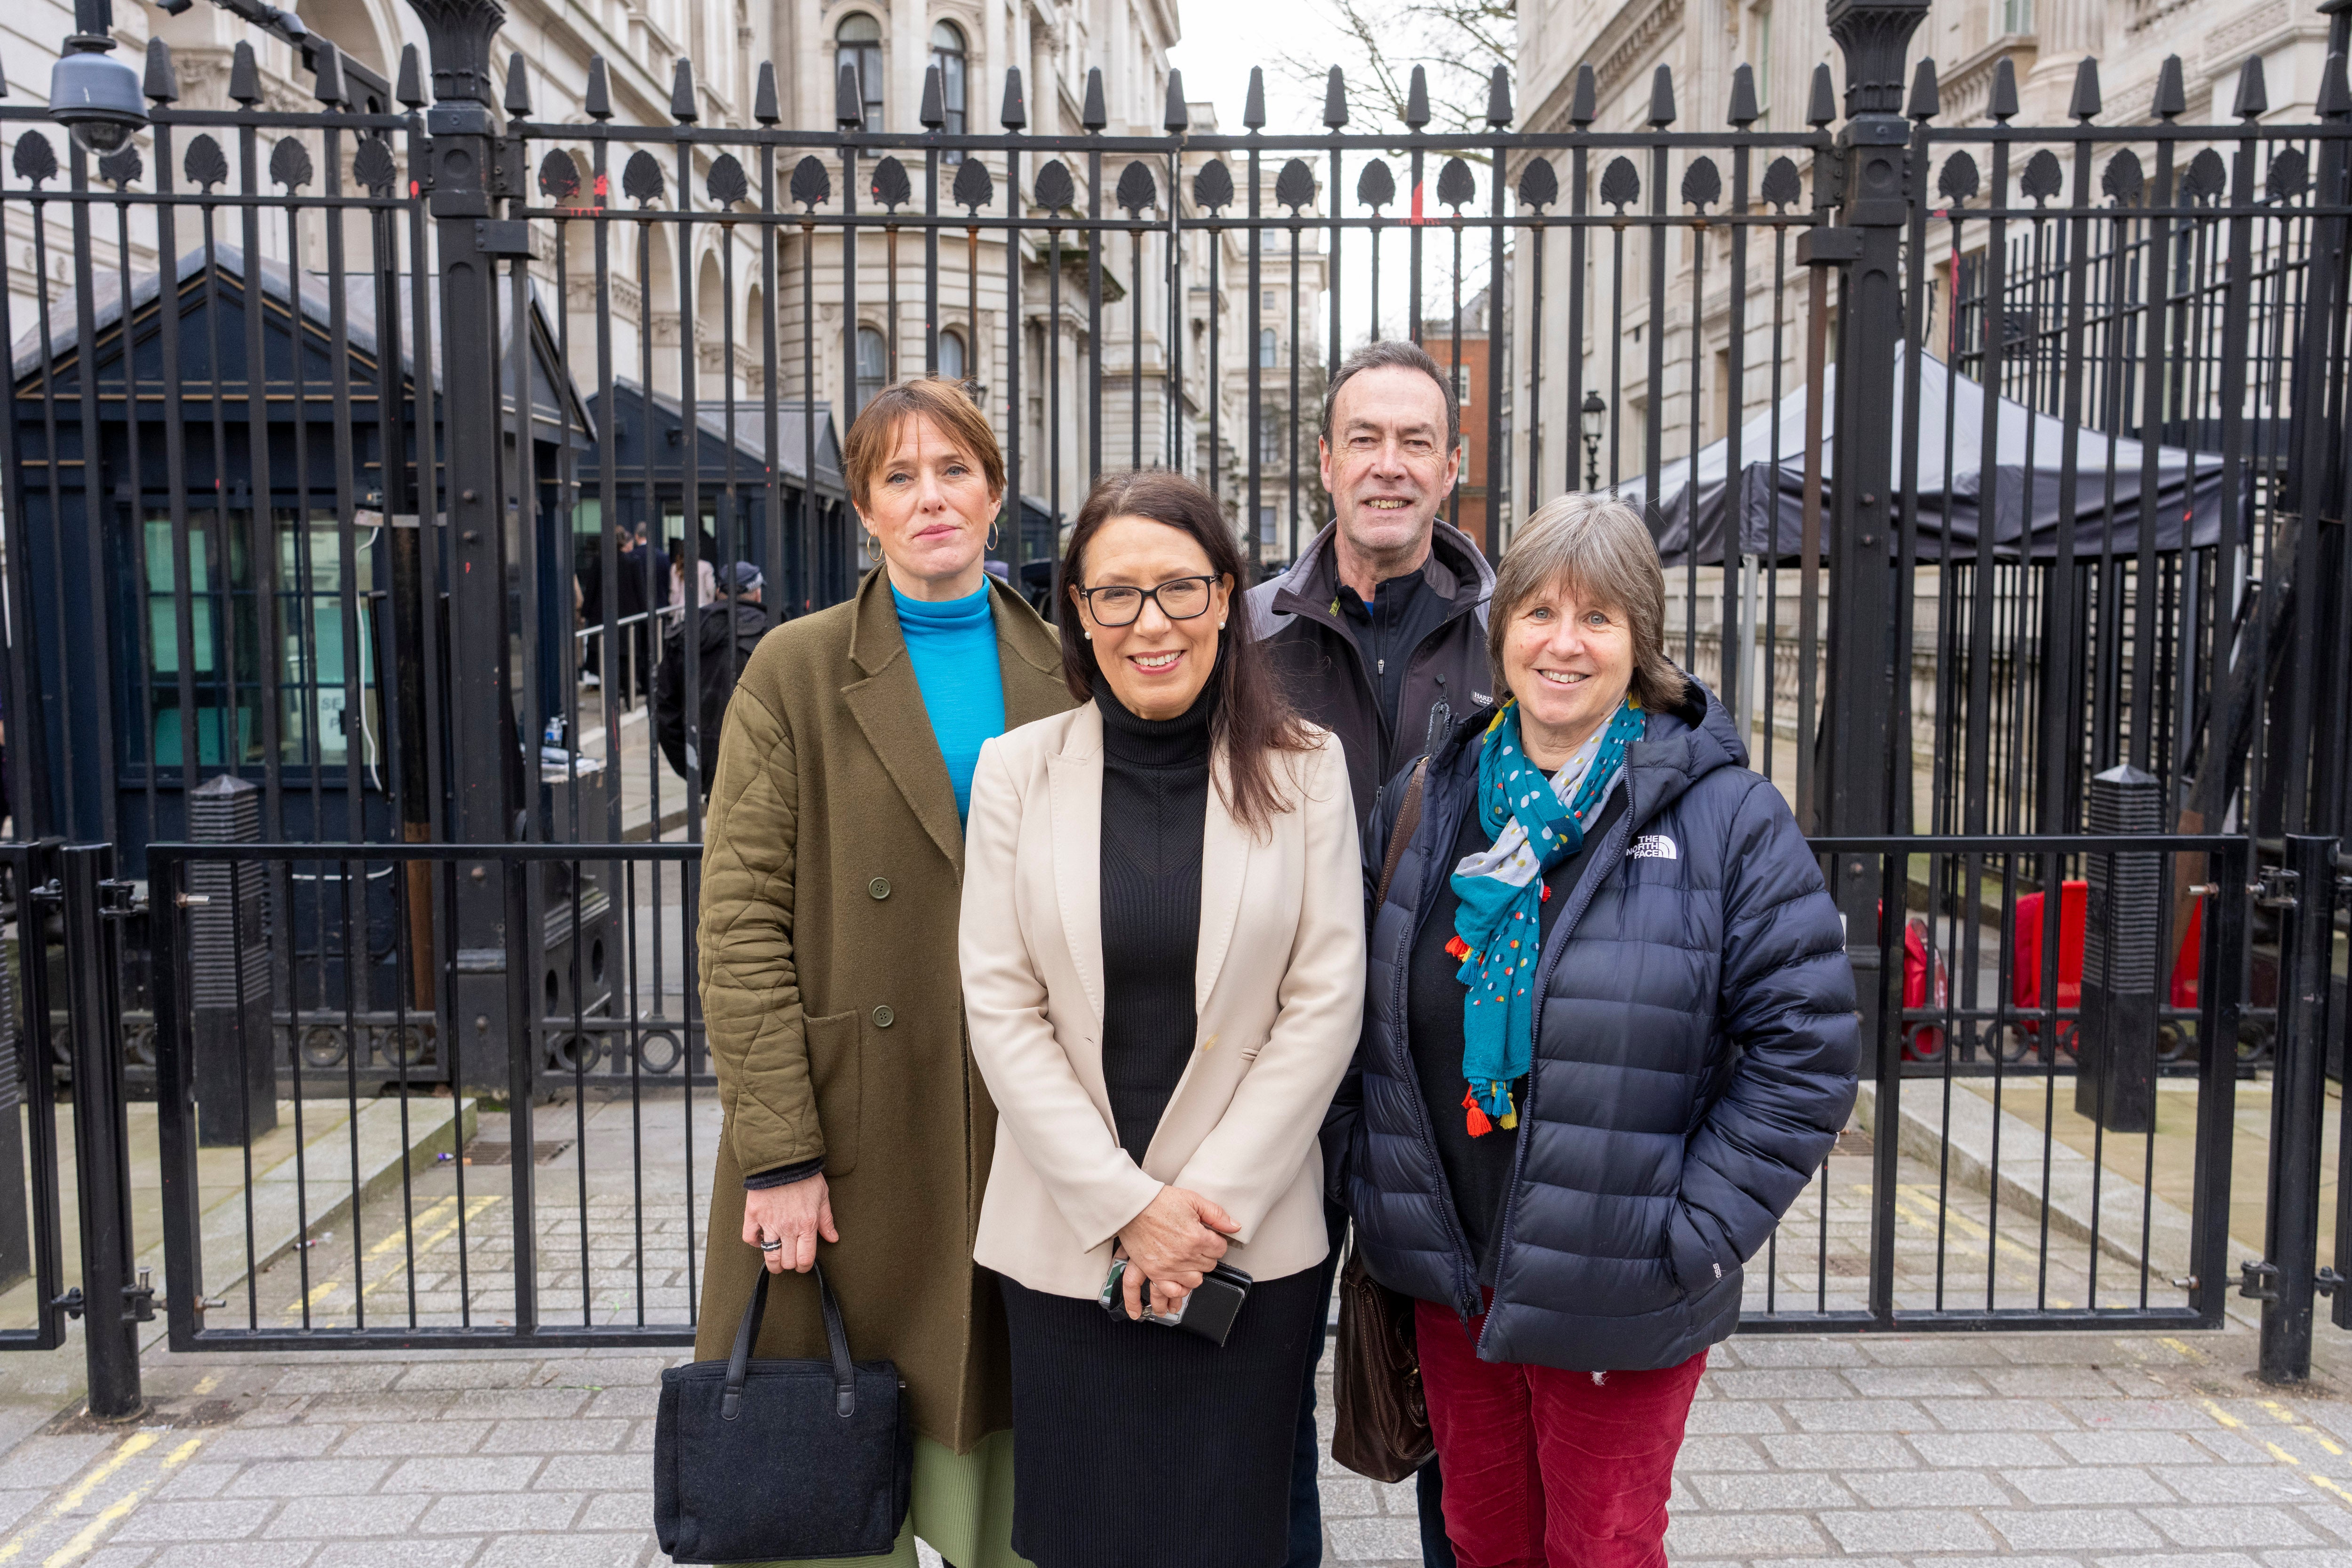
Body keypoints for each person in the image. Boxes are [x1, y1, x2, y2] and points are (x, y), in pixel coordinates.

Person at [1335, 493, 1859, 1568]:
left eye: (1598, 619)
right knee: (1484, 1543)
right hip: (1455, 1278)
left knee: (1601, 1549)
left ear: (1640, 641)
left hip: (1621, 1284)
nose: (1562, 644)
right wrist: (1380, 1200)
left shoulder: (1724, 817)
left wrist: (1689, 1234)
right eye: (1537, 613)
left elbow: (1807, 1051)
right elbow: (1362, 1026)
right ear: (1501, 634)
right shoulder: (1428, 800)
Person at [694, 377, 1071, 1568]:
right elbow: (739, 919)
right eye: (898, 478)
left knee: (1005, 1485)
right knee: (826, 1507)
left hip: (1015, 1130)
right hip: (848, 1128)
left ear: (997, 490)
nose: (930, 499)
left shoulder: (1065, 667)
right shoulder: (795, 672)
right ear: (863, 507)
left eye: (953, 470)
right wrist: (780, 1151)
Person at [958, 470, 1365, 1568]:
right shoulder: (1015, 774)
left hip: (1241, 1251)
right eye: (1117, 595)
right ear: (1080, 616)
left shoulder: (1306, 772)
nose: (1152, 624)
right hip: (1068, 1244)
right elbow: (1000, 1003)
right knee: (1084, 1536)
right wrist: (1125, 1208)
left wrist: (1198, 1213)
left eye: (1180, 589)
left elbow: (1323, 1001)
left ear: (1228, 598)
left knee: (1229, 1538)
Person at [1244, 337, 1493, 1568]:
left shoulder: (1521, 640)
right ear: (1325, 461)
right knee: (1261, 1392)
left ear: (1454, 464)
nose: (1388, 465)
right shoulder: (1243, 637)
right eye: (1364, 438)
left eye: (1415, 441)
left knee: (1455, 1404)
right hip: (1275, 1079)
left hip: (1451, 1089)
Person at [654, 560, 771, 797]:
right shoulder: (772, 632)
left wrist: (693, 764)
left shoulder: (688, 632)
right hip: (762, 763)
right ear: (757, 593)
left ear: (719, 592)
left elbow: (664, 709)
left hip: (706, 756)